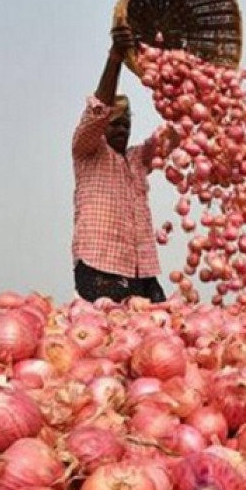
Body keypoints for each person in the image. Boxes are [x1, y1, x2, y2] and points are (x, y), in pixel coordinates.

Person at [71, 24, 168, 303]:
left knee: (152, 336)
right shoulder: (87, 151)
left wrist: (188, 92)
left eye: (127, 123)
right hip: (100, 264)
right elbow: (97, 110)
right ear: (103, 126)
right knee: (108, 336)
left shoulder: (138, 159)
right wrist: (115, 58)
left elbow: (172, 135)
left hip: (143, 270)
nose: (122, 129)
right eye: (115, 123)